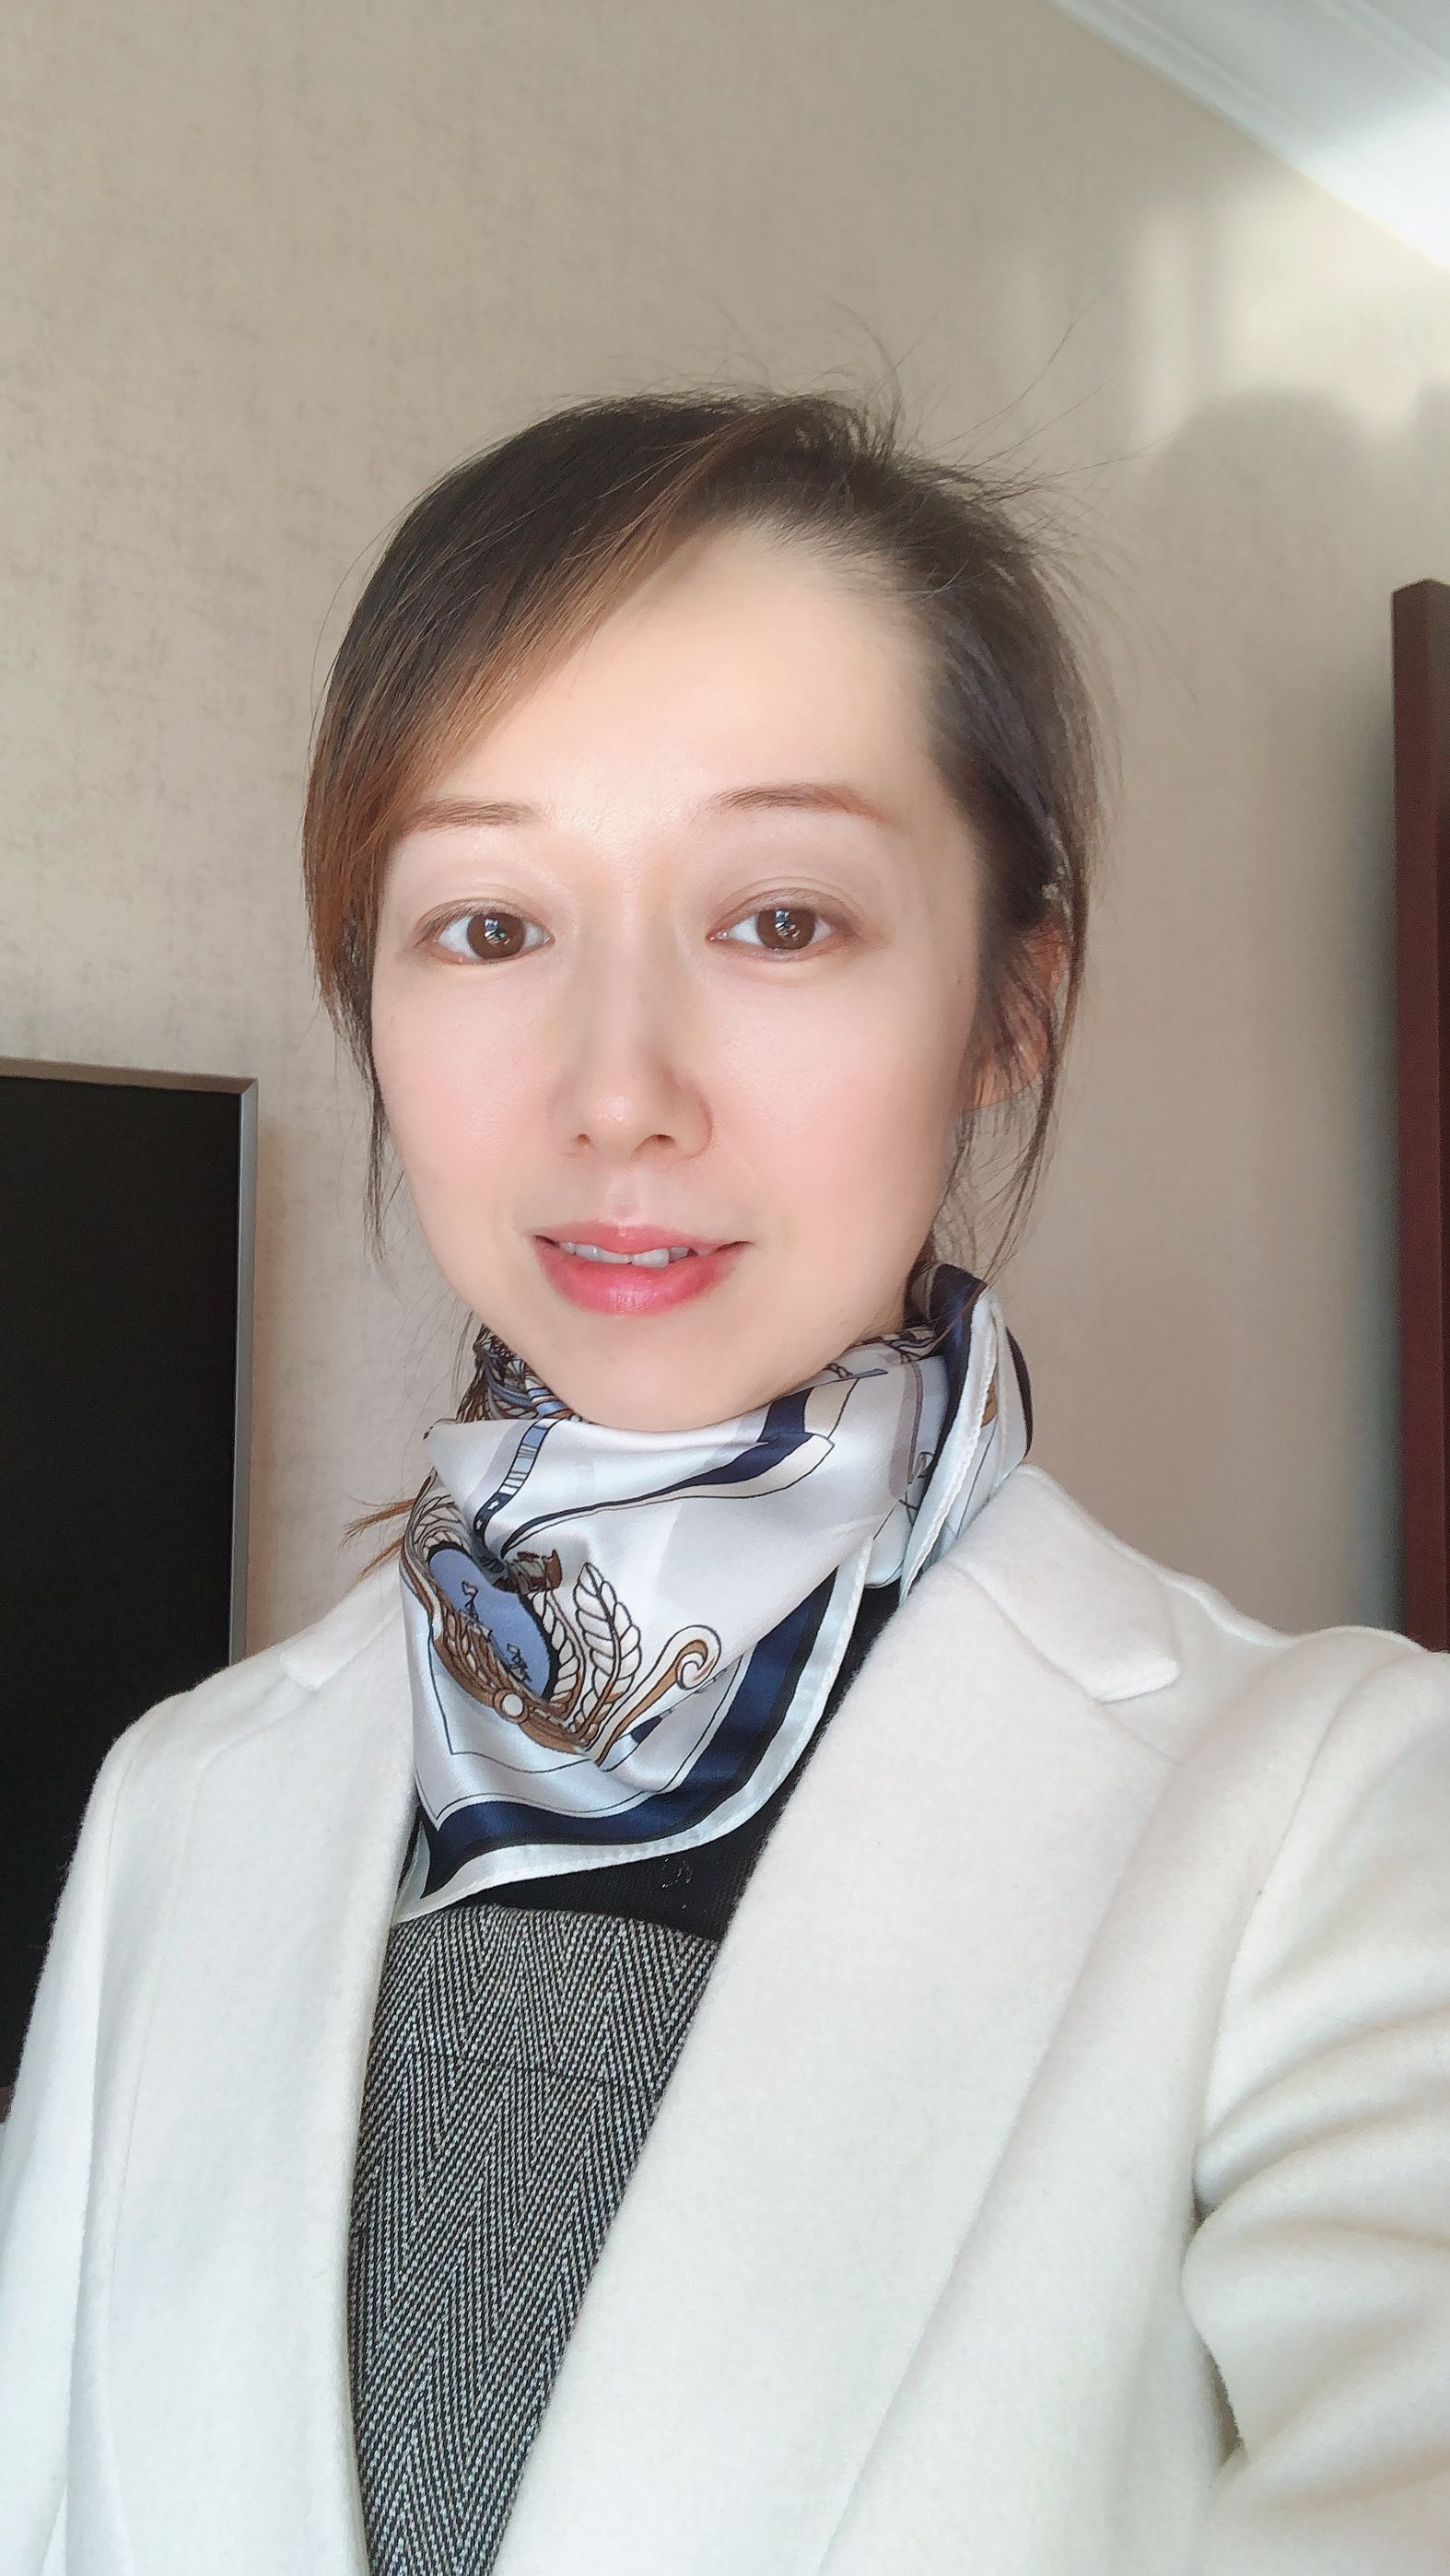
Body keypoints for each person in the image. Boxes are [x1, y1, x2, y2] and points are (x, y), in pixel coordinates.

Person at [2, 389, 1448, 2576]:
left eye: (777, 919)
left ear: (1007, 1003)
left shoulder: (1338, 1824)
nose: (616, 1092)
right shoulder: (177, 1805)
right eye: (490, 925)